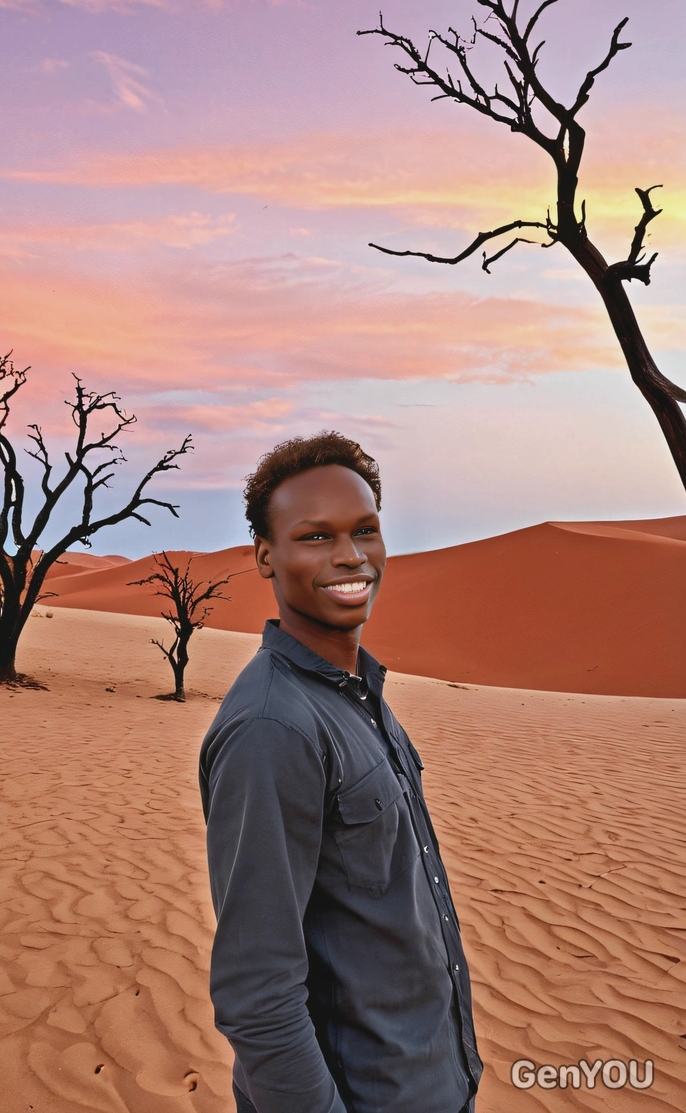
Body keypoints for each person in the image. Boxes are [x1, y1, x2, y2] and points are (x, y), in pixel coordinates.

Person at [199, 432, 483, 1113]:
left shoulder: (356, 692)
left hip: (429, 1082)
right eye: (316, 536)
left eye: (364, 531)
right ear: (267, 556)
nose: (350, 556)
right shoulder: (274, 728)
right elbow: (256, 993)